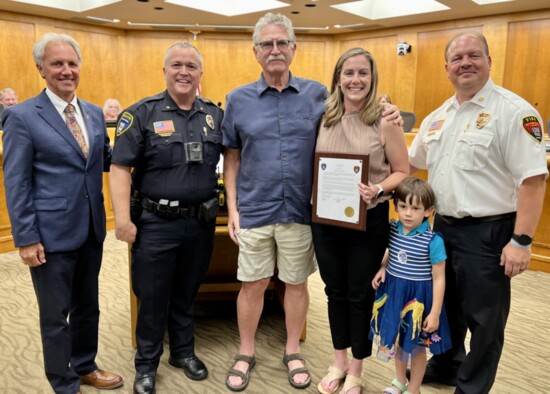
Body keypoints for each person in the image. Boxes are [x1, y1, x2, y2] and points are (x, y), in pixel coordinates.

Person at [222, 14, 402, 392]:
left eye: (282, 43)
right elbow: (232, 159)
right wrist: (234, 210)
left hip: (303, 212)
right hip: (256, 209)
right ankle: (246, 351)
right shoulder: (238, 100)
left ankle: (293, 350)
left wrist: (390, 110)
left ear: (293, 49)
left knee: (297, 284)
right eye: (267, 44)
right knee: (253, 285)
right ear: (256, 51)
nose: (275, 50)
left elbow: (361, 113)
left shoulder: (318, 95)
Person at [408, 32, 547, 394]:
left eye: (474, 55)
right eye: (457, 58)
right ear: (447, 68)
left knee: (485, 319)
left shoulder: (514, 112)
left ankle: (472, 388)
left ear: (488, 61)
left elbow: (533, 182)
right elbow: (414, 161)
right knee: (445, 303)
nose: (465, 63)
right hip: (442, 228)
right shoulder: (439, 116)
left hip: (489, 231)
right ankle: (447, 364)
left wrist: (521, 241)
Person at [2, 33, 123, 394]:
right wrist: (25, 238)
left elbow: (105, 161)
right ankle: (63, 382)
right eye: (57, 64)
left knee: (88, 307)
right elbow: (17, 182)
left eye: (72, 63)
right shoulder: (21, 116)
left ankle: (85, 366)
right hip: (49, 234)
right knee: (55, 316)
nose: (66, 71)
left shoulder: (93, 113)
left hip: (91, 229)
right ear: (41, 68)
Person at [109, 42, 223, 394]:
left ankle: (183, 353)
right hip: (155, 221)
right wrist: (122, 220)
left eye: (191, 66)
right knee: (153, 295)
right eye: (177, 65)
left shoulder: (214, 115)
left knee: (187, 292)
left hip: (199, 222)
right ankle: (146, 365)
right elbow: (119, 168)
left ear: (200, 73)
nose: (184, 72)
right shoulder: (141, 113)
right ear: (165, 71)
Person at [312, 47, 409, 394]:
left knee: (359, 294)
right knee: (333, 290)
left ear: (372, 78)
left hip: (369, 219)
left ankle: (356, 367)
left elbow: (403, 171)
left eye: (362, 73)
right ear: (338, 78)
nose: (355, 80)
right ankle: (337, 360)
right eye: (348, 73)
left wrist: (379, 188)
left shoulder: (385, 119)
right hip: (326, 221)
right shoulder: (323, 115)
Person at [369, 176, 451, 394]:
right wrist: (383, 267)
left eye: (415, 208)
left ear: (428, 211)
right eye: (403, 206)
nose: (407, 213)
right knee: (397, 342)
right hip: (395, 295)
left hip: (418, 302)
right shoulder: (394, 229)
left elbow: (439, 278)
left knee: (416, 348)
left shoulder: (433, 241)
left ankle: (414, 388)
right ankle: (399, 381)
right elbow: (390, 254)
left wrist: (434, 313)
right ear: (395, 207)